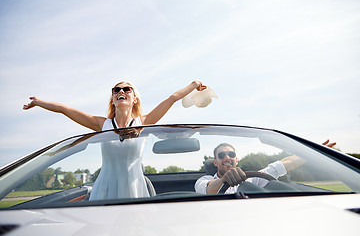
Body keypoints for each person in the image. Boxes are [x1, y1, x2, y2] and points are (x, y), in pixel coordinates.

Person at [24, 80, 207, 200]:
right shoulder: (101, 124)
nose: (121, 91)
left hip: (134, 189)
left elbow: (173, 98)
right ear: (113, 99)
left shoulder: (144, 122)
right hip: (105, 188)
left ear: (134, 98)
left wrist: (194, 84)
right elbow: (64, 109)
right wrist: (38, 102)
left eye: (127, 89)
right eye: (116, 90)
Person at [195, 140, 336, 195]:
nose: (227, 158)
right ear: (215, 162)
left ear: (236, 159)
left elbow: (282, 165)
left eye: (231, 154)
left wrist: (312, 153)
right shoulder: (203, 180)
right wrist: (223, 180)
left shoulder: (252, 179)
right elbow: (209, 189)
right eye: (221, 155)